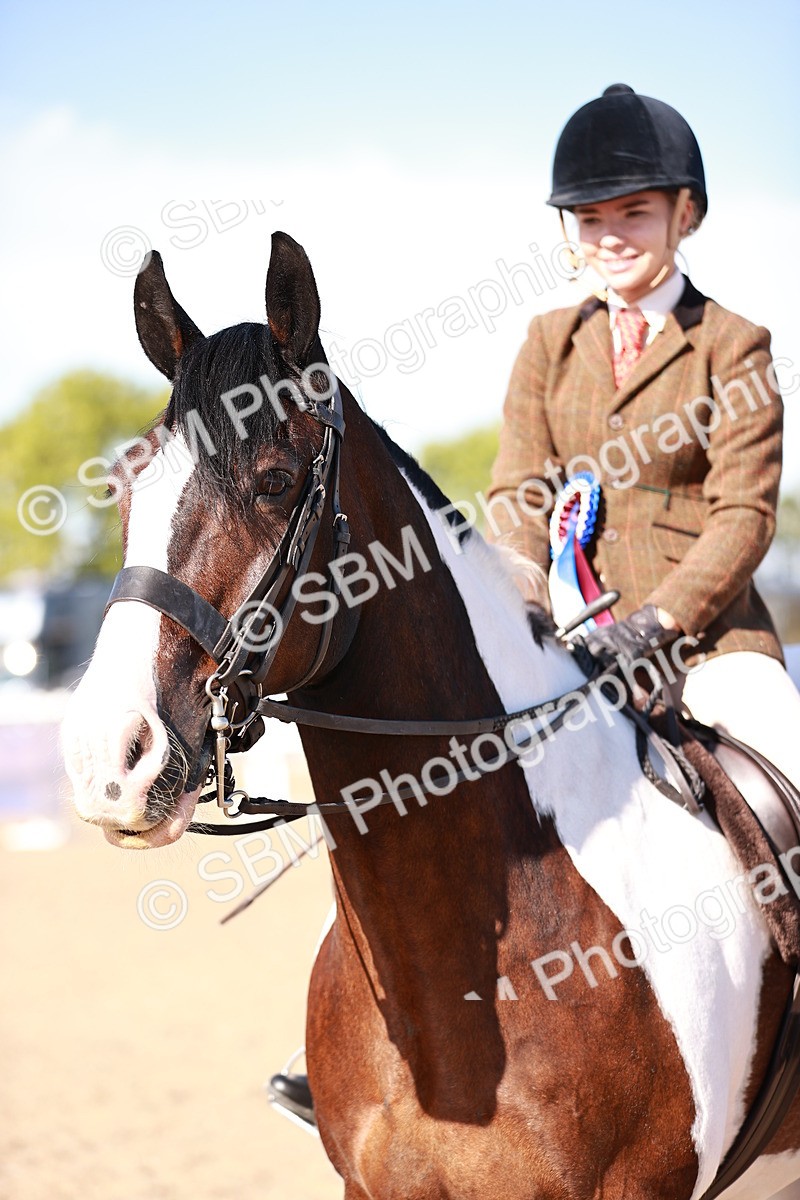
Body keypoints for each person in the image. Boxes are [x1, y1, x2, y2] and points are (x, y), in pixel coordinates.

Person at [487, 82, 800, 785]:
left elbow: (744, 517)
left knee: (791, 752)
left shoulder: (734, 345)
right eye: (591, 217)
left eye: (635, 212)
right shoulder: (548, 341)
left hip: (708, 645)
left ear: (683, 213)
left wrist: (655, 623)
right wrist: (528, 600)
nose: (610, 236)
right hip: (568, 634)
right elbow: (518, 489)